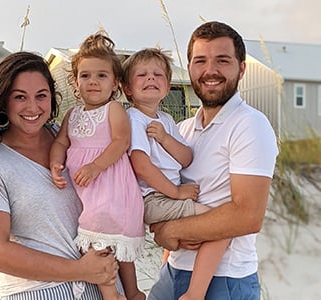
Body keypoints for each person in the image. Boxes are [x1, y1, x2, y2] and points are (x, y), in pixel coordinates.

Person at [0, 51, 121, 300]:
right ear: (3, 101)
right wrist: (80, 270)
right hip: (41, 293)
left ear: (52, 97)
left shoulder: (72, 138)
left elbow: (118, 184)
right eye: (20, 97)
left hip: (105, 287)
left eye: (41, 96)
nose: (32, 107)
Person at [149, 21, 279, 300]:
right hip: (172, 273)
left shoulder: (249, 125)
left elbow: (247, 215)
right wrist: (165, 262)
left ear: (241, 68)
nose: (210, 71)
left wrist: (169, 230)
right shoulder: (181, 131)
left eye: (222, 60)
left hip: (226, 279)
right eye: (200, 61)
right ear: (190, 67)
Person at [122, 47, 231, 300]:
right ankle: (193, 294)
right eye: (142, 75)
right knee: (221, 224)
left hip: (166, 199)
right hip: (154, 197)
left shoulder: (167, 120)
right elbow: (140, 164)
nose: (151, 79)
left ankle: (173, 258)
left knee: (200, 232)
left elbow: (185, 157)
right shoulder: (134, 118)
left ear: (168, 84)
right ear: (127, 88)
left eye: (158, 75)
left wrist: (163, 138)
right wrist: (177, 192)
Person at [49, 32, 146, 300]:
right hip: (85, 190)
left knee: (100, 238)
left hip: (109, 186)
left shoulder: (113, 109)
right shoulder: (72, 114)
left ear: (115, 83)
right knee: (108, 240)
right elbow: (60, 142)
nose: (93, 82)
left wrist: (95, 166)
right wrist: (55, 162)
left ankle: (115, 293)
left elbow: (120, 142)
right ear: (75, 82)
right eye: (85, 76)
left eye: (101, 76)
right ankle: (133, 293)